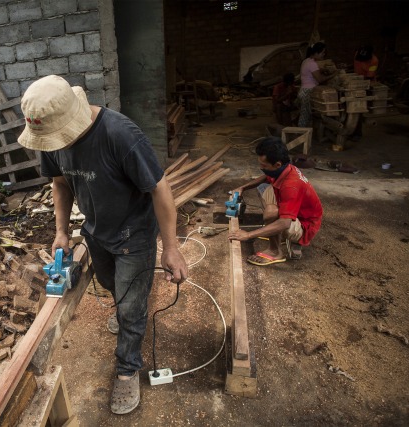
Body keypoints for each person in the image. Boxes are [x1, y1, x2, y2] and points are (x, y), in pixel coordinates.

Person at [17, 75, 188, 415]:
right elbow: (61, 184)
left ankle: (127, 370)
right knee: (112, 286)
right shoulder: (53, 140)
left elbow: (160, 188)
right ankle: (125, 313)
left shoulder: (120, 135)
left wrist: (170, 247)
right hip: (96, 231)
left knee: (131, 308)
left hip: (134, 235)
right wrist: (62, 232)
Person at [227, 137, 322, 265]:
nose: (261, 167)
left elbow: (284, 223)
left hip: (305, 226)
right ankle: (275, 232)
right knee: (264, 188)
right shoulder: (285, 168)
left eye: (264, 165)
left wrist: (248, 235)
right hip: (296, 210)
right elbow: (267, 176)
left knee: (271, 212)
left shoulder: (291, 185)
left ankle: (275, 251)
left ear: (277, 164)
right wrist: (243, 187)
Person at [297, 42, 338, 127]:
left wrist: (322, 70)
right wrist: (333, 75)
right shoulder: (312, 64)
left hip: (304, 90)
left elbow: (314, 72)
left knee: (306, 116)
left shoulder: (306, 61)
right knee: (304, 117)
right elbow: (319, 79)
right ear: (316, 53)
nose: (323, 55)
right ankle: (299, 135)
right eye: (322, 53)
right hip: (308, 92)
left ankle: (304, 134)